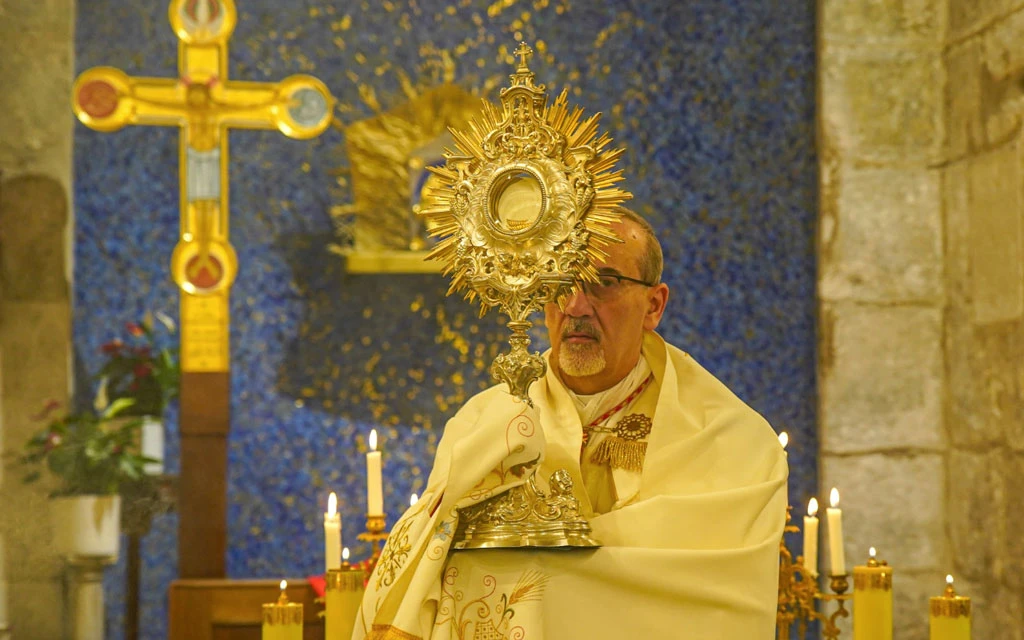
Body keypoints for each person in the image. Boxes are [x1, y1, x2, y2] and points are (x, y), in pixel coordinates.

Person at [353, 208, 788, 640]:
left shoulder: (732, 441)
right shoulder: (485, 423)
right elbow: (431, 556)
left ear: (654, 305)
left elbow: (717, 599)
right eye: (559, 282)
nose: (576, 305)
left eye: (605, 283)